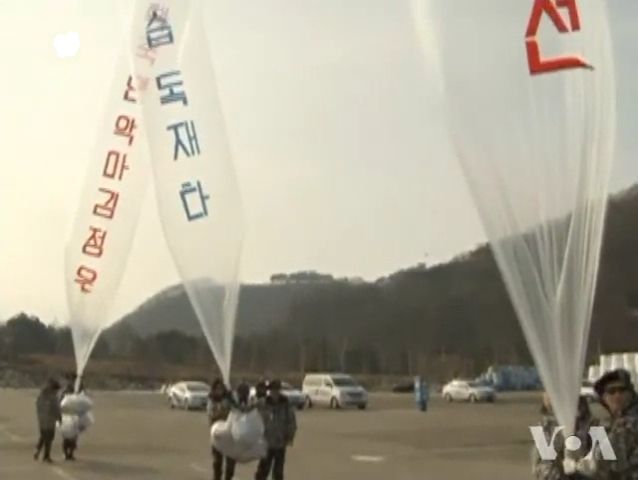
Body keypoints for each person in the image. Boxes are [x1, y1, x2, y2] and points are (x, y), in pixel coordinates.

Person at [532, 393, 594, 480]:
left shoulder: (591, 425)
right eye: (547, 393)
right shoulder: (545, 429)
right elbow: (542, 467)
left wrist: (584, 466)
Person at [593, 369, 638, 480]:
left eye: (622, 390)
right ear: (603, 397)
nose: (617, 395)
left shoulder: (633, 421)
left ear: (631, 394)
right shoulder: (600, 424)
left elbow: (605, 458)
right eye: (611, 391)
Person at [255, 379, 297, 480]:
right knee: (262, 471)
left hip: (280, 442)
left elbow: (291, 422)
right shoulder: (263, 403)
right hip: (266, 442)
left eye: (277, 390)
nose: (275, 393)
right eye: (273, 390)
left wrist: (289, 436)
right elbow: (253, 416)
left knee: (278, 472)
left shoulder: (286, 404)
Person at [208, 379, 235, 480]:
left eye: (221, 388)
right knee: (217, 463)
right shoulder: (211, 401)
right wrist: (222, 410)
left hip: (230, 435)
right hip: (217, 434)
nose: (219, 391)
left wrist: (231, 398)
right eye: (217, 389)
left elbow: (236, 410)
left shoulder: (229, 399)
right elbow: (211, 416)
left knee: (231, 463)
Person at [34, 378, 62, 463]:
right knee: (49, 439)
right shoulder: (53, 398)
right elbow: (56, 409)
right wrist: (59, 418)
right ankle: (46, 456)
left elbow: (38, 407)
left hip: (42, 420)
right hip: (50, 421)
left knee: (43, 437)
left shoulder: (41, 396)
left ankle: (37, 452)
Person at [60, 374, 83, 461]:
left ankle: (70, 453)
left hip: (75, 415)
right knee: (67, 436)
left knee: (74, 436)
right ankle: (66, 453)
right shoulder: (66, 391)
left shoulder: (79, 389)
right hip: (67, 416)